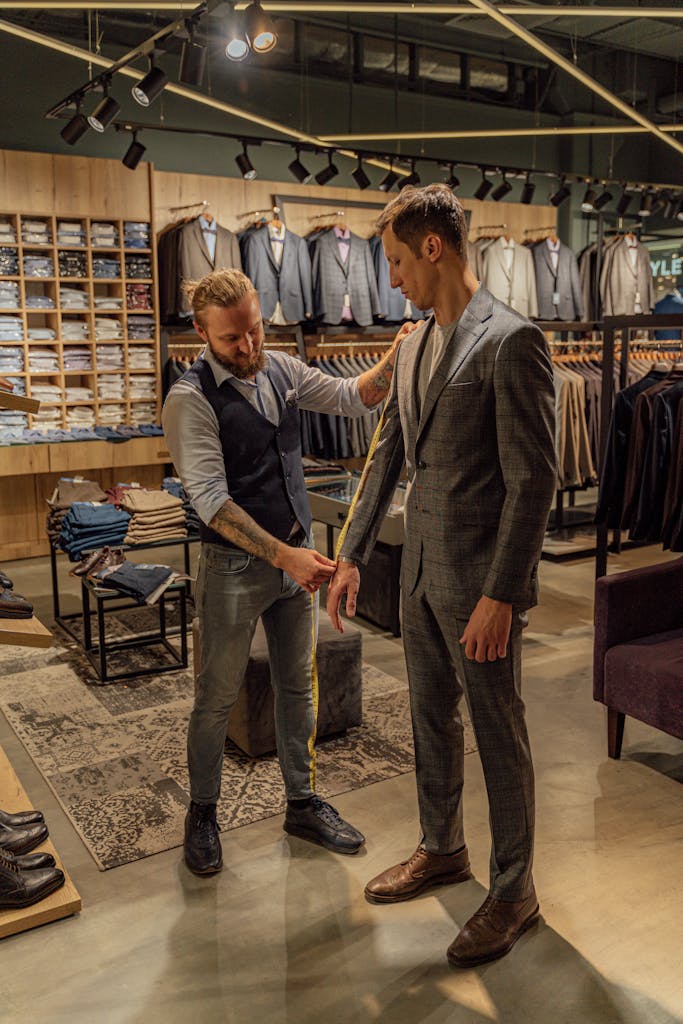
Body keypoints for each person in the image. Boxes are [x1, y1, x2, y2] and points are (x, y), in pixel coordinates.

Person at [327, 185, 556, 967]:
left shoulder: (511, 341)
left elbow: (533, 482)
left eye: (395, 261)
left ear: (433, 248)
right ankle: (442, 847)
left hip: (481, 586)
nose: (390, 279)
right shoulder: (416, 341)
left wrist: (503, 593)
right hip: (419, 574)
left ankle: (515, 888)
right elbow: (386, 452)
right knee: (431, 722)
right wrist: (352, 554)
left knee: (499, 732)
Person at [162, 268, 416, 876]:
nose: (248, 348)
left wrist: (396, 354)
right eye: (232, 340)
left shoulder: (277, 368)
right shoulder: (189, 400)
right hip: (232, 570)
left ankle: (301, 802)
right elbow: (212, 502)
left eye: (254, 331)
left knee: (298, 687)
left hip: (292, 565)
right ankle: (202, 811)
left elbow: (354, 396)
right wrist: (288, 556)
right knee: (217, 696)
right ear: (200, 332)